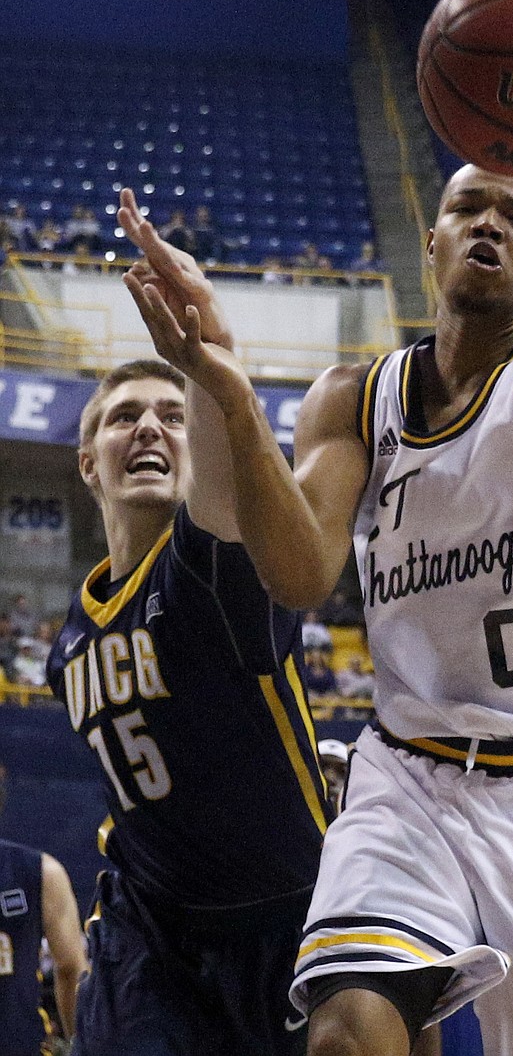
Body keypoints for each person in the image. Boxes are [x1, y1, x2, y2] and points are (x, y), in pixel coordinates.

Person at [122, 0, 513, 1056]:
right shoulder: (354, 402)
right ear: (432, 238)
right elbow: (301, 573)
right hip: (408, 781)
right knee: (347, 1034)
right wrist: (221, 380)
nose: (488, 223)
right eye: (466, 206)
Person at [45, 344, 332, 1052]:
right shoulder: (68, 646)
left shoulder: (214, 566)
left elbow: (225, 479)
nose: (149, 428)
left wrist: (204, 353)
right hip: (150, 926)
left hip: (282, 915)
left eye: (172, 416)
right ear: (89, 463)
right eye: (123, 418)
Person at [0, 838, 87, 1054]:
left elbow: (71, 970)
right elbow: (71, 969)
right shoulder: (41, 870)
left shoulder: (40, 871)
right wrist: (80, 1047)